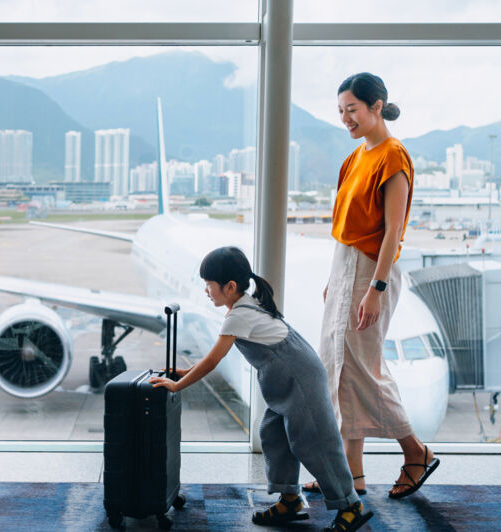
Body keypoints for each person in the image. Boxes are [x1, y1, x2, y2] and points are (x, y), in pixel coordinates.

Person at [150, 247, 372, 532]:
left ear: (229, 287)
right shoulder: (243, 306)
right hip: (286, 383)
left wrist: (178, 385)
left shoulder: (238, 315)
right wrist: (185, 371)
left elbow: (212, 361)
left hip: (301, 379)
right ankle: (290, 499)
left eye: (209, 285)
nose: (206, 291)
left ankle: (350, 505)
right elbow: (214, 357)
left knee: (314, 442)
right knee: (272, 432)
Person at [304, 72, 439, 500]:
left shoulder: (393, 157)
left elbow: (392, 233)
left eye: (353, 110)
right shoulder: (355, 158)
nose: (346, 118)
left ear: (376, 106)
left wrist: (375, 288)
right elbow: (346, 230)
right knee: (339, 372)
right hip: (347, 269)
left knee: (361, 371)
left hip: (371, 272)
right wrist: (334, 279)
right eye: (341, 111)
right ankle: (353, 477)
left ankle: (415, 451)